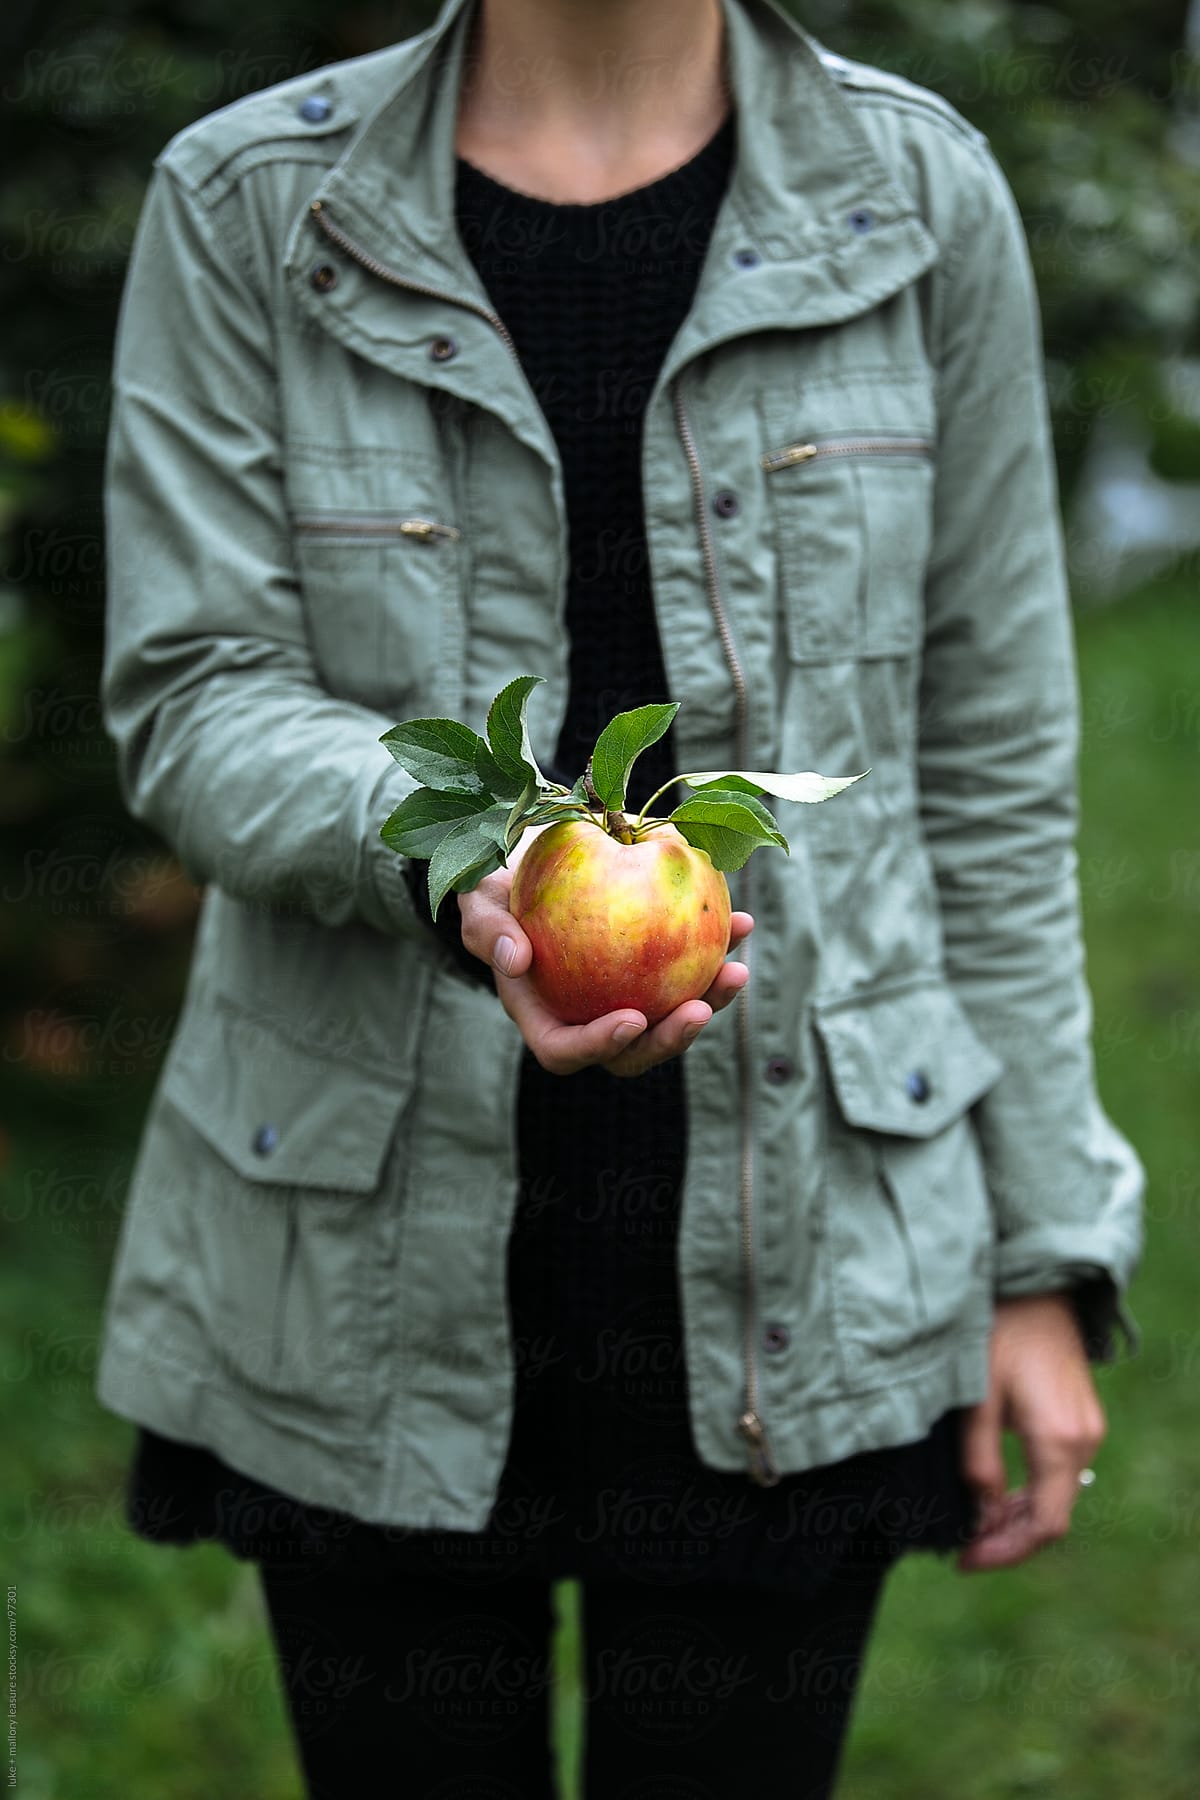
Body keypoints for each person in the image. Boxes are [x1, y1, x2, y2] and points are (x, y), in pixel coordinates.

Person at [93, 0, 1146, 1793]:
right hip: (355, 1275)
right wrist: (472, 862)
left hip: (800, 1259)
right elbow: (194, 694)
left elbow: (988, 773)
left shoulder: (918, 199)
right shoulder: (257, 200)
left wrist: (1041, 1255)